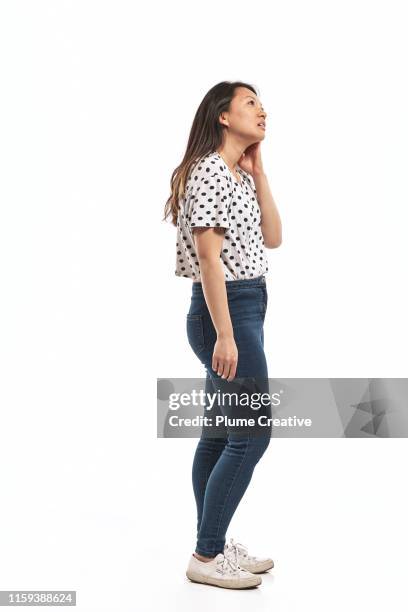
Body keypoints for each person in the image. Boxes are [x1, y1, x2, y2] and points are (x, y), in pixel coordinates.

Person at [163, 81, 282, 589]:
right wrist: (226, 336)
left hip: (246, 305)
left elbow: (274, 238)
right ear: (223, 117)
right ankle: (206, 555)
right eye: (250, 102)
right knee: (252, 433)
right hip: (224, 311)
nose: (263, 110)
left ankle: (211, 545)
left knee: (219, 434)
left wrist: (260, 174)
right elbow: (209, 259)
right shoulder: (211, 170)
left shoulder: (237, 173)